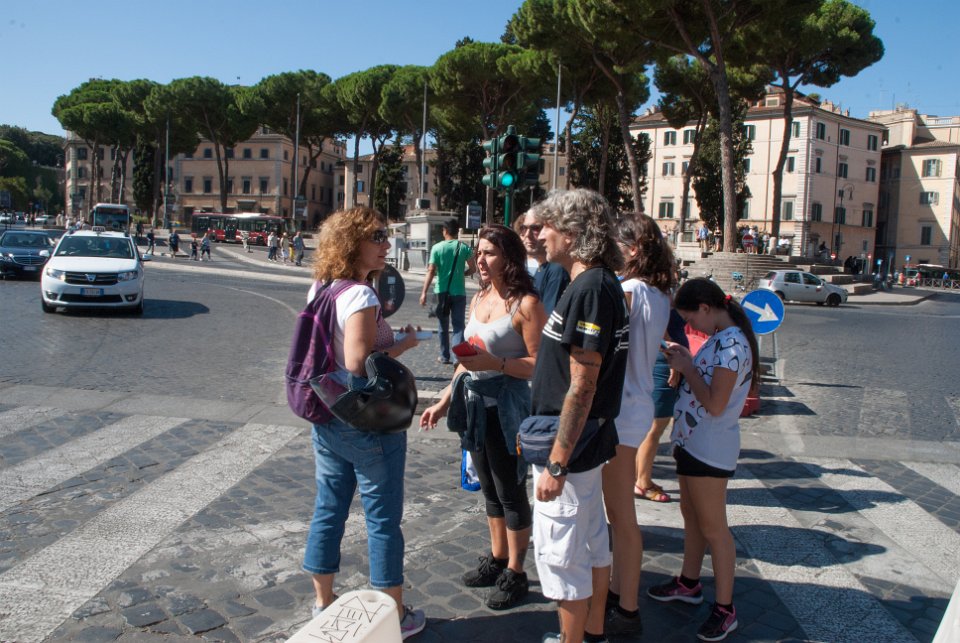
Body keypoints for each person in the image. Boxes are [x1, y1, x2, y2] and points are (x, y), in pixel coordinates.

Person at [302, 206, 426, 639]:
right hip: (366, 421)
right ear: (351, 243)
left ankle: (322, 601)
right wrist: (404, 345)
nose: (386, 244)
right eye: (377, 236)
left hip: (328, 413)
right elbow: (358, 363)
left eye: (386, 235)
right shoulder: (361, 295)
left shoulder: (323, 286)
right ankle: (395, 614)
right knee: (383, 519)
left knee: (328, 508)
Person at [420, 224, 547, 611]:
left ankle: (516, 571)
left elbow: (540, 365)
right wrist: (443, 401)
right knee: (489, 488)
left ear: (509, 257)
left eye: (489, 252)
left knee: (510, 490)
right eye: (478, 252)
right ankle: (497, 557)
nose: (480, 259)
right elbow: (466, 360)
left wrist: (497, 363)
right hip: (474, 406)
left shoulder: (526, 304)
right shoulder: (478, 297)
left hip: (507, 409)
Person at [528, 189, 629, 643]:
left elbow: (583, 384)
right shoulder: (595, 283)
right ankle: (593, 633)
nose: (540, 235)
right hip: (584, 445)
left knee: (564, 556)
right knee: (590, 543)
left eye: (547, 226)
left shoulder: (590, 288)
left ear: (571, 233)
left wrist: (556, 462)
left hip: (570, 448)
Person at [648, 278, 760, 642]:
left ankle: (725, 609)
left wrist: (688, 367)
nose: (691, 326)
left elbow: (714, 403)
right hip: (693, 443)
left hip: (710, 448)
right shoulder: (720, 338)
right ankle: (689, 582)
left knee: (714, 529)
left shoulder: (732, 345)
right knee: (693, 518)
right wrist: (685, 363)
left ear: (706, 308)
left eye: (691, 318)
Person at [601, 213, 676, 637]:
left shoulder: (628, 291)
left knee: (620, 515)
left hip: (621, 407)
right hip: (638, 402)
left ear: (630, 250)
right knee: (619, 513)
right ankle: (618, 592)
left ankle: (625, 606)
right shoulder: (660, 293)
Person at [419, 219, 477, 365]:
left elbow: (431, 271)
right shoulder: (463, 248)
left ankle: (444, 356)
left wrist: (424, 292)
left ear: (444, 231)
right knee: (458, 326)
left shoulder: (437, 248)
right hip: (459, 292)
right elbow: (473, 268)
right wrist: (462, 273)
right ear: (457, 232)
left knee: (442, 326)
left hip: (441, 292)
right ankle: (457, 357)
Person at [516, 205, 570, 316]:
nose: (527, 235)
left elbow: (546, 318)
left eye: (535, 228)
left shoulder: (557, 271)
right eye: (523, 228)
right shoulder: (542, 268)